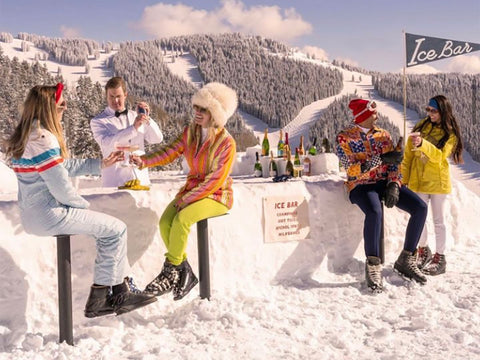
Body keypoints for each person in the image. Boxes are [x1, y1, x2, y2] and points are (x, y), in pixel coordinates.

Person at [5, 84, 156, 318]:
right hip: (50, 213)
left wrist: (100, 164)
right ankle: (102, 298)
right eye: (61, 103)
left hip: (33, 214)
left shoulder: (30, 136)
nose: (65, 106)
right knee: (115, 230)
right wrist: (84, 206)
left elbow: (61, 167)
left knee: (111, 230)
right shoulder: (44, 139)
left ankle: (118, 291)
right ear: (48, 107)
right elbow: (60, 185)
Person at [130, 82, 237, 300]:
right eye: (196, 107)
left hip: (217, 195)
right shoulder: (191, 133)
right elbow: (170, 151)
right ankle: (182, 269)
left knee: (182, 220)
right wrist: (143, 161)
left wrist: (186, 200)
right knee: (165, 222)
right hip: (193, 190)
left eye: (203, 109)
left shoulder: (227, 143)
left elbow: (216, 180)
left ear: (215, 114)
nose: (197, 113)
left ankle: (170, 273)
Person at [336, 98, 428, 292]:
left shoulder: (383, 135)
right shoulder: (345, 137)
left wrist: (394, 183)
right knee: (374, 212)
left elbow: (394, 162)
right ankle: (373, 265)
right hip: (361, 185)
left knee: (420, 207)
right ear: (364, 115)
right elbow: (352, 170)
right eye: (374, 112)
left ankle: (406, 258)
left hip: (383, 182)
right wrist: (380, 159)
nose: (377, 115)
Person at [402, 95, 463, 276]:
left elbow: (439, 156)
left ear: (443, 111)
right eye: (428, 109)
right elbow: (409, 155)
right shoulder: (421, 125)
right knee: (418, 217)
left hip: (437, 183)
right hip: (418, 181)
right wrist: (404, 179)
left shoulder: (450, 134)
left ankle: (440, 257)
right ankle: (423, 250)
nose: (429, 113)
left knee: (438, 221)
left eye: (433, 110)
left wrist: (422, 144)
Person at [91, 76, 163, 187]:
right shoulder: (98, 121)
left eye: (119, 96)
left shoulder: (136, 116)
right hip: (115, 183)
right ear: (106, 96)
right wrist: (133, 128)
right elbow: (108, 143)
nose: (115, 101)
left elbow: (157, 139)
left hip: (141, 179)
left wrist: (147, 118)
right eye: (111, 96)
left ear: (125, 95)